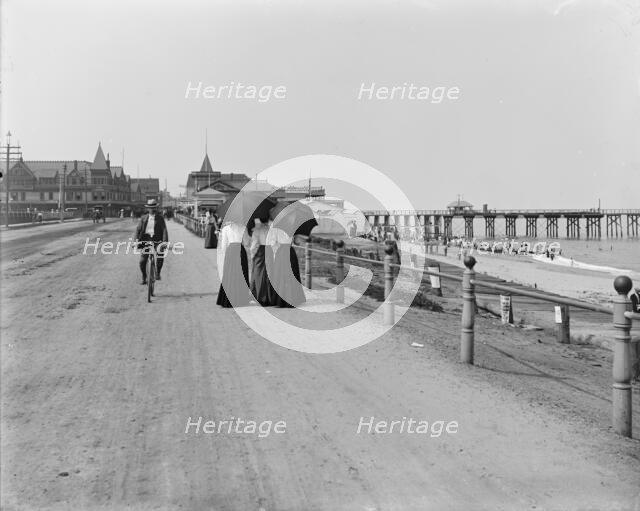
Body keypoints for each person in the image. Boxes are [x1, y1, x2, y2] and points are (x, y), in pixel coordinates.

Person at [267, 226, 305, 308]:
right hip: (290, 252)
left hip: (281, 252)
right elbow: (297, 242)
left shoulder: (276, 228)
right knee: (292, 275)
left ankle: (280, 300)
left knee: (280, 275)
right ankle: (293, 299)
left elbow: (272, 243)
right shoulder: (293, 227)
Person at [216, 219, 251, 308]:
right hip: (240, 250)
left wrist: (226, 256)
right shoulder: (243, 227)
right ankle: (241, 298)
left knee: (230, 275)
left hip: (231, 251)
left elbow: (223, 245)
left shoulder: (226, 229)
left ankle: (228, 298)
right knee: (241, 274)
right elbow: (246, 243)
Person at [134, 199, 168, 284]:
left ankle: (158, 272)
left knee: (160, 255)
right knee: (142, 261)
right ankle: (144, 276)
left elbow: (164, 230)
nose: (152, 209)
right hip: (146, 240)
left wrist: (164, 242)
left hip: (157, 240)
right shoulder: (143, 218)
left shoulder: (160, 218)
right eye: (150, 208)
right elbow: (138, 230)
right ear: (148, 209)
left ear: (156, 208)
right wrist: (136, 241)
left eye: (153, 207)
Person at [249, 217, 274, 306]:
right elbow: (275, 242)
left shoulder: (257, 229)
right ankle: (270, 296)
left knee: (257, 273)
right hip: (270, 251)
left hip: (261, 251)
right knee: (270, 273)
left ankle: (258, 295)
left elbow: (254, 244)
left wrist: (252, 255)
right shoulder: (273, 229)